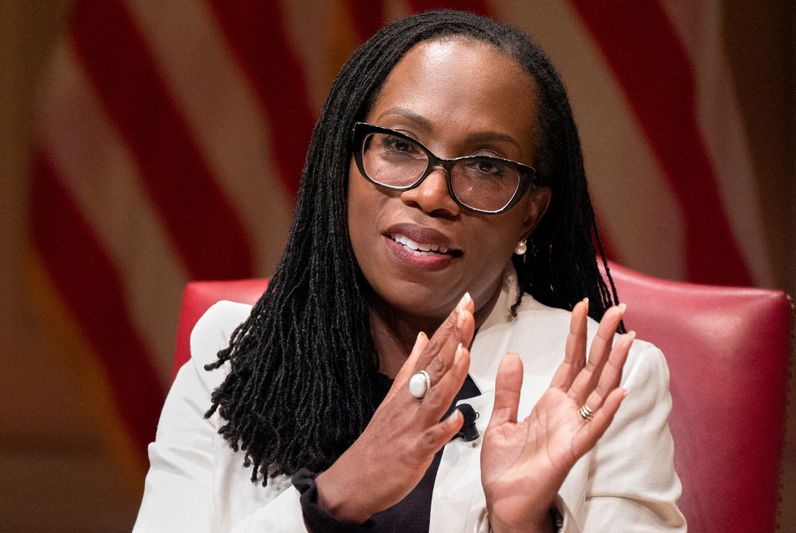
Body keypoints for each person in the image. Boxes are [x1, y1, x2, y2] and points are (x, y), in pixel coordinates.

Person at [134, 10, 685, 532]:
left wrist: (521, 526)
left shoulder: (609, 381)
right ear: (343, 163)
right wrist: (337, 496)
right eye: (399, 145)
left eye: (486, 166)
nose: (431, 194)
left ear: (530, 213)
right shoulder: (236, 356)